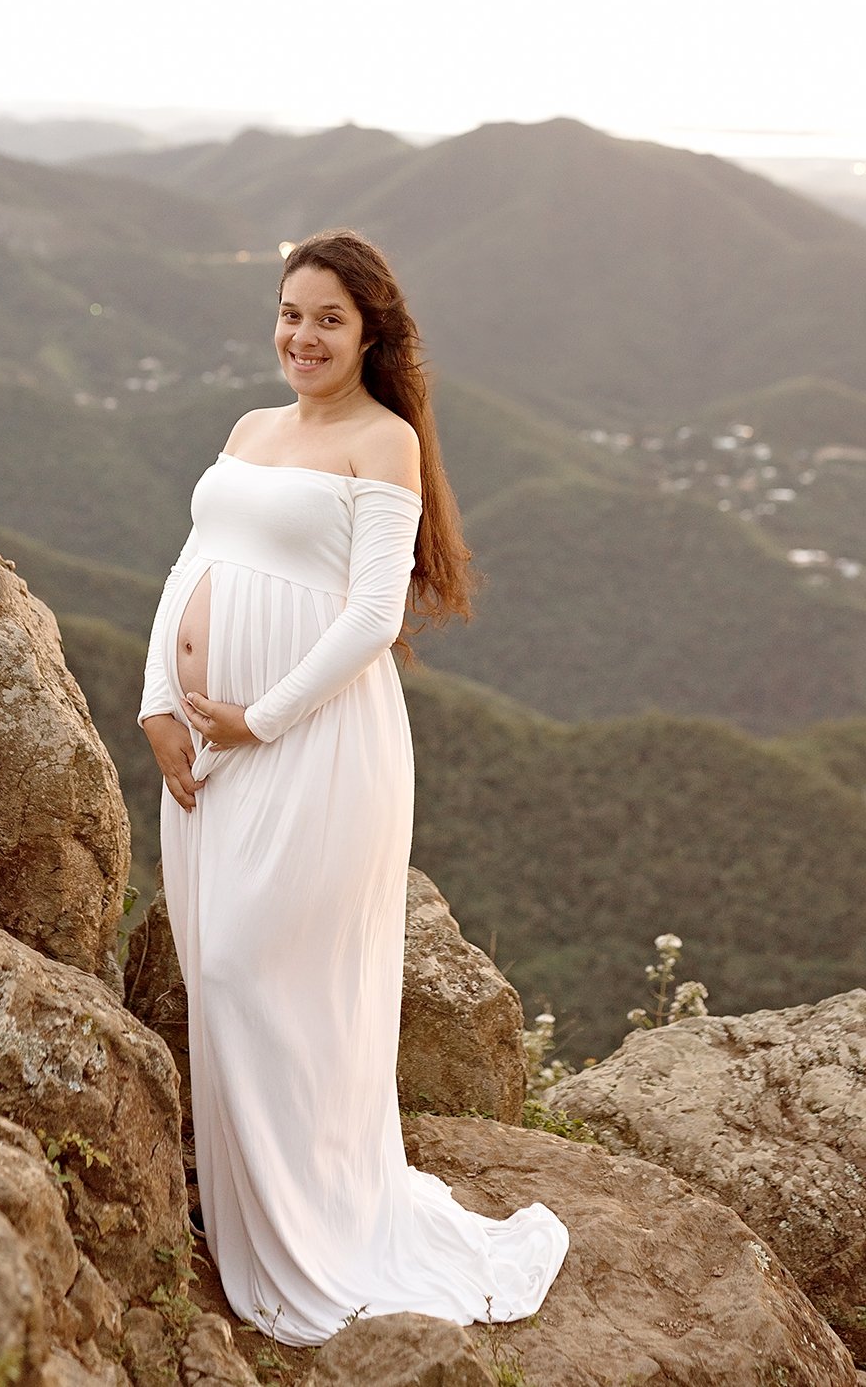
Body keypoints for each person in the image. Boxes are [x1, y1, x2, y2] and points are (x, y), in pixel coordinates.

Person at [138, 228, 570, 1347]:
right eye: (290, 312)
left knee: (264, 975)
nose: (303, 335)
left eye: (328, 317)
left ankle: (311, 1223)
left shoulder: (383, 444)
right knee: (217, 966)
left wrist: (260, 717)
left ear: (371, 331)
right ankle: (252, 1209)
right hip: (208, 750)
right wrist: (156, 702)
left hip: (315, 747)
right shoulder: (249, 428)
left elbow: (375, 616)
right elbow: (194, 561)